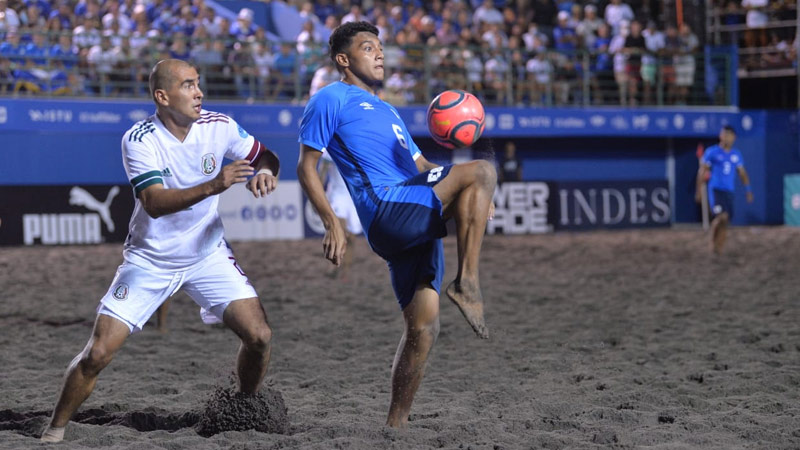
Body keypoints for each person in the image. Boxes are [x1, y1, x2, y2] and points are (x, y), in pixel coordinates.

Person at [40, 59, 280, 443]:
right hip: (149, 259)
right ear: (162, 96)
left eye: (199, 83)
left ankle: (244, 404)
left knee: (260, 336)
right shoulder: (140, 139)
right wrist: (213, 185)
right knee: (98, 354)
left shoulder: (218, 126)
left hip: (207, 254)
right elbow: (153, 202)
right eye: (189, 85)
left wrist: (267, 171)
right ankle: (54, 429)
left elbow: (265, 155)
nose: (199, 92)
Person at [296, 21, 496, 429]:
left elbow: (422, 166)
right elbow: (306, 167)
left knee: (424, 327)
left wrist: (470, 193)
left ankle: (395, 426)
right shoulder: (330, 98)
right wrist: (331, 221)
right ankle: (468, 283)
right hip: (389, 208)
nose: (380, 54)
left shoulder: (388, 110)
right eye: (368, 48)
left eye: (380, 47)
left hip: (411, 211)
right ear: (344, 60)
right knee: (485, 169)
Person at [696, 125, 754, 255]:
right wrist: (699, 190)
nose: (726, 137)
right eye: (724, 134)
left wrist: (748, 190)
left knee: (726, 221)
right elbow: (702, 171)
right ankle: (712, 242)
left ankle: (719, 249)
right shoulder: (712, 152)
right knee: (721, 217)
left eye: (729, 135)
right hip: (715, 190)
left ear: (734, 137)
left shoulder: (736, 155)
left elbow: (742, 174)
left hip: (729, 192)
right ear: (720, 136)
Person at [317, 150, 363, 280]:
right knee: (340, 231)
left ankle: (346, 270)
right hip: (337, 195)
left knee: (352, 238)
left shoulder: (358, 146)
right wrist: (318, 198)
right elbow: (322, 172)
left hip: (354, 197)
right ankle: (333, 265)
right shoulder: (330, 150)